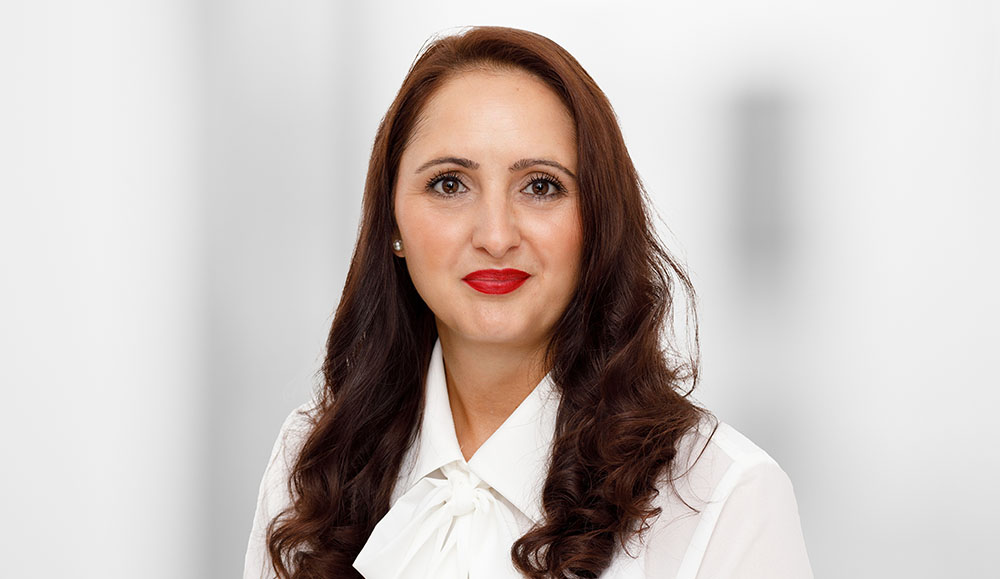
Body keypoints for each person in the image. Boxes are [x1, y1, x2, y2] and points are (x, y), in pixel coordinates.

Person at [243, 26, 813, 579]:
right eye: (449, 184)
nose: (496, 236)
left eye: (540, 186)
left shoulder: (724, 499)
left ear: (597, 222)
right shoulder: (313, 460)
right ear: (392, 222)